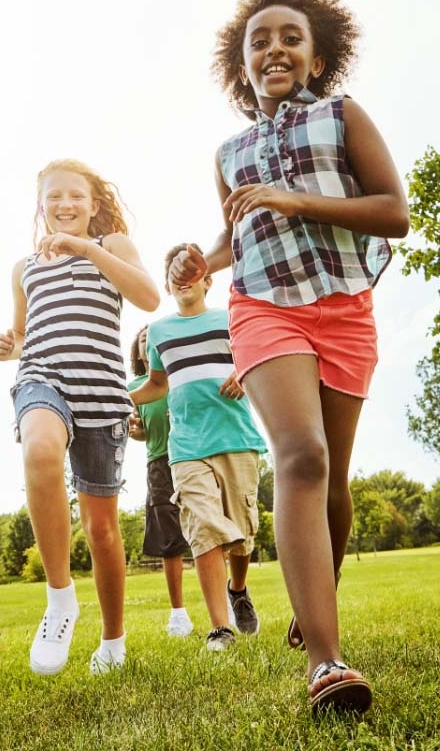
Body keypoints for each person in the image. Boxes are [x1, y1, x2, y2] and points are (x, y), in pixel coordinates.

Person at [169, 0, 409, 713]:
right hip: (264, 308)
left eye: (290, 39)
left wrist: (293, 197)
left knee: (332, 475)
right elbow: (237, 235)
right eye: (259, 42)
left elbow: (394, 213)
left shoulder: (342, 116)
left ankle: (314, 612)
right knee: (300, 455)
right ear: (241, 66)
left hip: (343, 307)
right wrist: (200, 262)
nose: (274, 49)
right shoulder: (229, 150)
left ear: (315, 56)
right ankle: (329, 665)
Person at [0, 158, 159, 676]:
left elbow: (149, 297)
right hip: (44, 378)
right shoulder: (24, 268)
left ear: (93, 204)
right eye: (54, 197)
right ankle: (60, 597)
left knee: (102, 528)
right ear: (41, 206)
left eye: (76, 196)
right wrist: (7, 344)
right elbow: (22, 335)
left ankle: (112, 640)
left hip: (103, 393)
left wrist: (86, 248)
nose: (65, 205)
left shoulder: (111, 247)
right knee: (39, 450)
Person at [130, 243, 267, 653]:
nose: (183, 280)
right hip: (187, 446)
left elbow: (260, 360)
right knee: (204, 529)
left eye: (192, 274)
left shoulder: (231, 319)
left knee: (242, 536)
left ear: (208, 280)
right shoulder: (159, 331)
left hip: (236, 438)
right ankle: (219, 628)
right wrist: (120, 396)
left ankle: (237, 589)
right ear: (169, 284)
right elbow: (157, 384)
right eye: (174, 274)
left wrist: (243, 373)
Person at [128, 325, 193, 638]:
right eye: (144, 340)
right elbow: (140, 430)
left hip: (195, 457)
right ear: (140, 352)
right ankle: (178, 613)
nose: (149, 343)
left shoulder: (183, 376)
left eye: (154, 338)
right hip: (159, 463)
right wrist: (137, 432)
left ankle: (226, 598)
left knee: (211, 529)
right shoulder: (135, 387)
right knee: (170, 541)